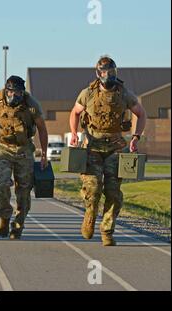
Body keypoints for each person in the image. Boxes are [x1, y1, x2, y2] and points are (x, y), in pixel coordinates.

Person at [69, 56, 147, 246]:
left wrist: (136, 137)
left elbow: (141, 113)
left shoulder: (124, 94)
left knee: (113, 193)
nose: (107, 76)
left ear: (115, 72)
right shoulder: (88, 93)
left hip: (115, 146)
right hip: (92, 146)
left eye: (111, 72)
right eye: (104, 72)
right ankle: (90, 214)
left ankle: (107, 230)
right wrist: (74, 133)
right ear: (98, 73)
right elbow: (75, 112)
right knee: (93, 188)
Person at [0, 75, 48, 239]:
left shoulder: (31, 105)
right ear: (6, 90)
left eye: (17, 93)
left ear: (22, 93)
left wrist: (44, 153)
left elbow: (42, 129)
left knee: (23, 192)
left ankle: (18, 225)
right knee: (1, 185)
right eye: (10, 92)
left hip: (24, 150)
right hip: (2, 148)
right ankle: (4, 214)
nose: (12, 96)